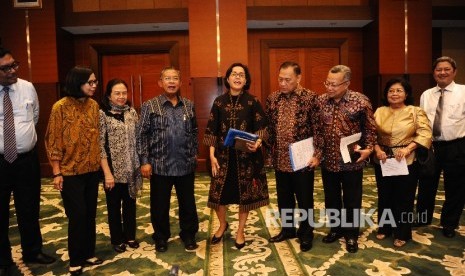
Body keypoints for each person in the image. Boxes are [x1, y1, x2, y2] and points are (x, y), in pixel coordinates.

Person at [0, 47, 55, 275]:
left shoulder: (27, 88)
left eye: (15, 64)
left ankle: (32, 251)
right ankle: (3, 260)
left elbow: (35, 117)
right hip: (0, 162)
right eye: (6, 68)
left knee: (29, 208)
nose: (13, 70)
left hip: (26, 160)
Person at [45, 66, 103, 275]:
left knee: (89, 215)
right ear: (77, 82)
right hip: (70, 172)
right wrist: (56, 171)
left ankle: (88, 253)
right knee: (77, 215)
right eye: (90, 82)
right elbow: (53, 141)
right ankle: (76, 259)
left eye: (95, 81)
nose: (94, 85)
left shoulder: (94, 105)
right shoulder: (60, 107)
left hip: (91, 169)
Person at [204, 62, 269, 249]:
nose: (238, 77)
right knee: (218, 196)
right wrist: (211, 156)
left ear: (246, 80)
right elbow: (211, 130)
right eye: (234, 74)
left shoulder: (253, 101)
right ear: (227, 78)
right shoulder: (218, 102)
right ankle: (223, 224)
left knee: (244, 197)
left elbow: (262, 128)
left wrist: (257, 142)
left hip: (246, 158)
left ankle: (240, 231)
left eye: (242, 74)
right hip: (222, 157)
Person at [137, 66, 199, 253]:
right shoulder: (150, 106)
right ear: (160, 82)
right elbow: (141, 135)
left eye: (175, 79)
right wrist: (145, 161)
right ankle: (161, 237)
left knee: (188, 203)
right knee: (160, 204)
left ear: (180, 83)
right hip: (160, 165)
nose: (171, 82)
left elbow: (194, 132)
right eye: (167, 79)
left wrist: (193, 152)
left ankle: (188, 234)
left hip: (185, 164)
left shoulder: (189, 105)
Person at [317, 65, 377, 253]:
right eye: (327, 83)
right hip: (329, 160)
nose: (329, 88)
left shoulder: (360, 101)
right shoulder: (320, 101)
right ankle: (335, 229)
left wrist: (368, 149)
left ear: (347, 84)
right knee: (331, 198)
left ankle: (351, 234)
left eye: (334, 84)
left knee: (352, 199)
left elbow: (370, 128)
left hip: (352, 160)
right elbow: (317, 129)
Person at [264, 61, 321, 252]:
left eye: (287, 79)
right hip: (281, 158)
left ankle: (306, 233)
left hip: (303, 159)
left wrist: (317, 155)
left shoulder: (310, 98)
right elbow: (270, 129)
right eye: (280, 79)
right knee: (284, 198)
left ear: (298, 78)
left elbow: (318, 129)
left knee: (305, 199)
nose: (282, 83)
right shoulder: (273, 99)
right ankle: (288, 229)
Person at [373, 78, 432, 247]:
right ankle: (385, 227)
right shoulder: (379, 111)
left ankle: (402, 232)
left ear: (406, 94)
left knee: (404, 197)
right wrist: (377, 150)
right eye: (391, 90)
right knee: (385, 195)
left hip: (406, 159)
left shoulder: (415, 111)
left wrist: (408, 149)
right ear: (386, 94)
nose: (394, 94)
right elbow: (370, 134)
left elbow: (425, 133)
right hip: (383, 159)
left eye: (399, 90)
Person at [417, 56, 465, 238]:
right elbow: (422, 121)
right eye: (438, 69)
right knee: (426, 183)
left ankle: (449, 223)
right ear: (433, 72)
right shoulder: (426, 94)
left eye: (446, 69)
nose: (442, 72)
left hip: (456, 146)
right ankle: (422, 217)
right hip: (430, 146)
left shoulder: (463, 91)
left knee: (455, 186)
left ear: (454, 72)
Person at [99, 79, 142, 253]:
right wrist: (107, 173)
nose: (121, 96)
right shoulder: (102, 114)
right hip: (112, 171)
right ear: (109, 95)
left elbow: (138, 139)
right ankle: (117, 239)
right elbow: (99, 145)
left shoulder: (131, 112)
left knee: (130, 205)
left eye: (124, 93)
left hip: (131, 169)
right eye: (117, 93)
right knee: (114, 207)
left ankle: (130, 236)